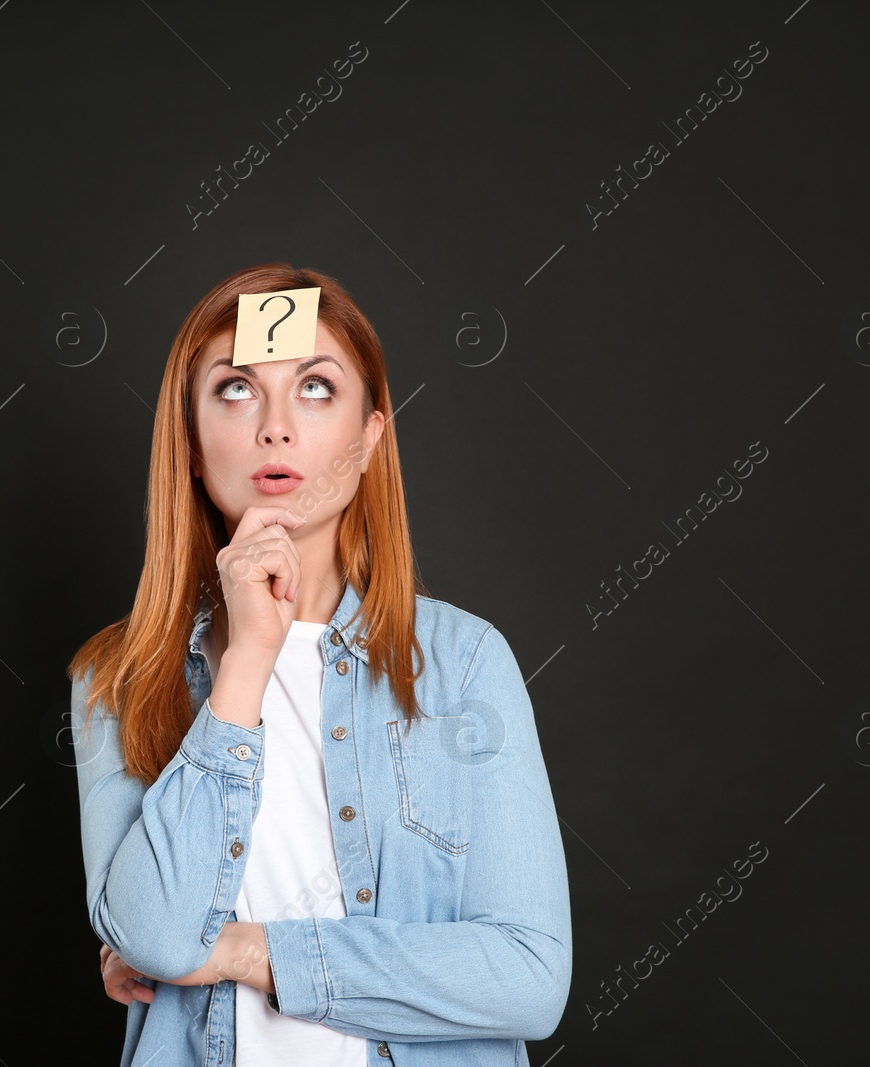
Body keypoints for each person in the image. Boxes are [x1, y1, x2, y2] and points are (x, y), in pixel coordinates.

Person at [68, 263, 571, 1066]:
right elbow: (157, 935)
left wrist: (240, 950)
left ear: (370, 435)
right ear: (192, 445)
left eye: (314, 387)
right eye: (235, 389)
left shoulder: (464, 664)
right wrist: (247, 658)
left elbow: (529, 976)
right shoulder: (116, 679)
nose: (275, 427)